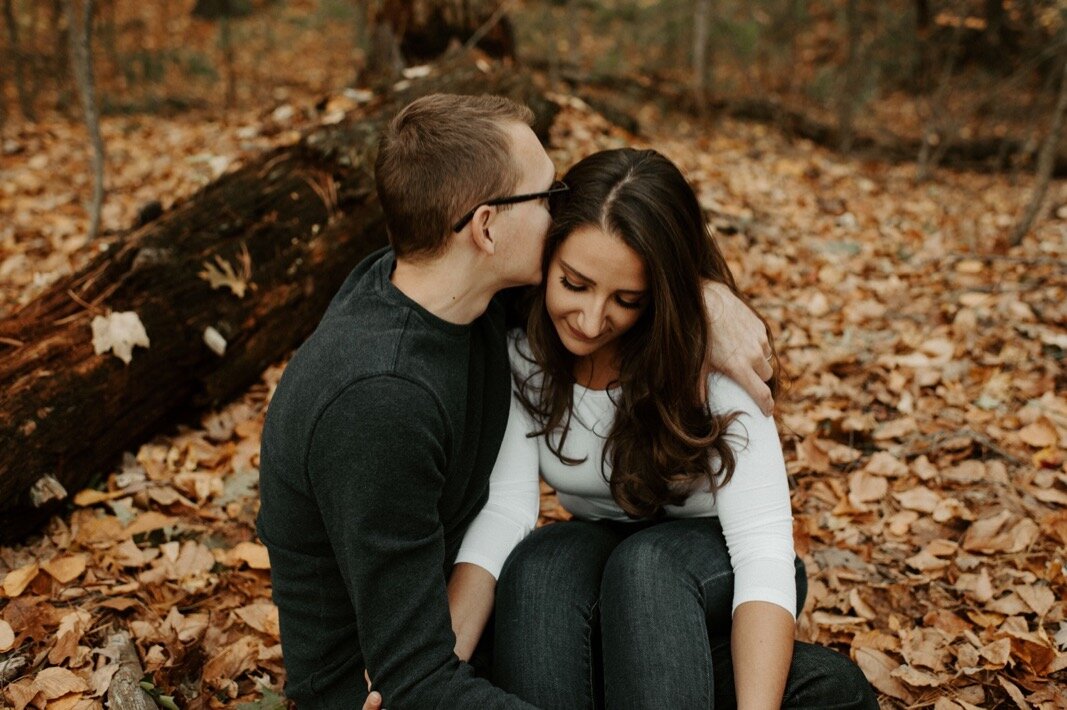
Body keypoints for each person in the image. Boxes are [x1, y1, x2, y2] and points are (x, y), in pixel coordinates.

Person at [257, 95, 773, 709]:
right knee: (548, 574)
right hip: (387, 687)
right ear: (485, 227)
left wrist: (705, 297)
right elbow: (415, 678)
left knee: (819, 686)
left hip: (453, 632)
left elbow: (626, 253)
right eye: (548, 195)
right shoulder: (381, 399)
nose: (562, 209)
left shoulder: (458, 299)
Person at [481, 148, 880, 709]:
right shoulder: (522, 347)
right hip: (599, 557)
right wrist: (422, 667)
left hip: (714, 563)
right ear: (547, 257)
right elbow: (505, 513)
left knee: (648, 568)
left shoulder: (714, 354)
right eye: (574, 284)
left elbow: (763, 551)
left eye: (627, 300)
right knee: (541, 564)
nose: (592, 321)